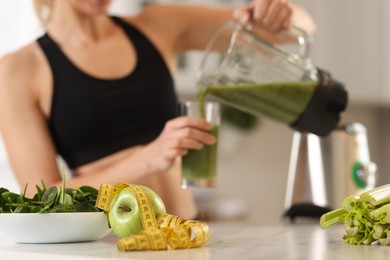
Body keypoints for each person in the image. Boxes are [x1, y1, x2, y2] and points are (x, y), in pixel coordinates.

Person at [0, 0, 315, 219]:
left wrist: (284, 14)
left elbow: (296, 30)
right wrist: (148, 158)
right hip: (107, 247)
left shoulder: (159, 24)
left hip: (187, 234)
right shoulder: (18, 70)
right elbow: (39, 200)